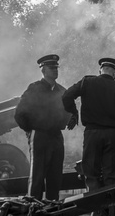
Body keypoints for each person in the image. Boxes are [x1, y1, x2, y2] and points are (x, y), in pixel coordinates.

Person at [62, 57, 115, 216]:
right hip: (113, 135)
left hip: (92, 134)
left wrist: (74, 112)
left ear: (101, 69)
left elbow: (66, 96)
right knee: (112, 178)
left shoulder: (87, 82)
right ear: (114, 73)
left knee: (91, 175)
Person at [14, 54, 78, 202]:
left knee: (55, 176)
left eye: (56, 68)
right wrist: (30, 130)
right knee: (37, 176)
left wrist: (74, 115)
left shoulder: (62, 91)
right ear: (43, 70)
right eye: (51, 68)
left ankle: (52, 209)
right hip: (39, 135)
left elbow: (72, 109)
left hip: (56, 135)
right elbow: (19, 113)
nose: (55, 70)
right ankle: (33, 211)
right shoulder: (34, 88)